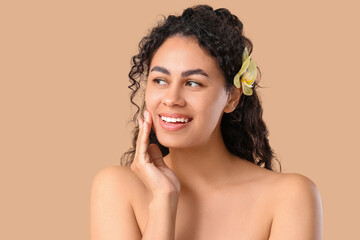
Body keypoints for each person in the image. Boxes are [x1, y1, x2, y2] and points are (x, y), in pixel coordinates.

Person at [90, 5, 323, 240]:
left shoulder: (290, 197)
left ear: (232, 97)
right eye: (160, 80)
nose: (171, 99)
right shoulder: (117, 188)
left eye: (193, 83)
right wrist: (163, 200)